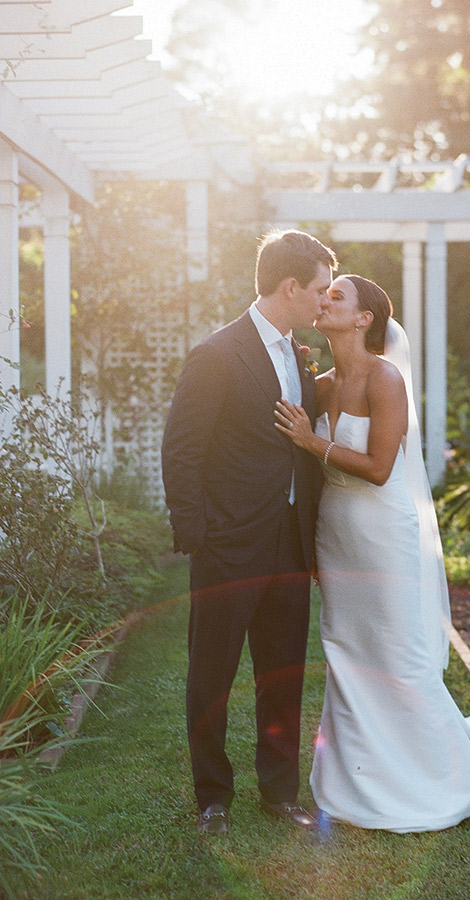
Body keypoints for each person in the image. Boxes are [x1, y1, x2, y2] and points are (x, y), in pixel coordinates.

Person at [275, 274, 470, 832]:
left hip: (383, 531)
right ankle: (356, 780)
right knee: (348, 650)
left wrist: (312, 442)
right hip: (336, 532)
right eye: (323, 295)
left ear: (363, 319)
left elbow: (380, 470)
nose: (324, 301)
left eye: (337, 297)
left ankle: (435, 776)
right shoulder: (322, 384)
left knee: (397, 654)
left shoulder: (386, 379)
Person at [162, 230, 337, 835]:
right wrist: (198, 535)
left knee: (282, 670)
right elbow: (181, 449)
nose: (325, 300)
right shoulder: (216, 354)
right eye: (318, 289)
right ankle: (213, 795)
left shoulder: (301, 352)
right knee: (211, 673)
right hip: (227, 544)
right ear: (290, 287)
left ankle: (279, 793)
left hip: (290, 539)